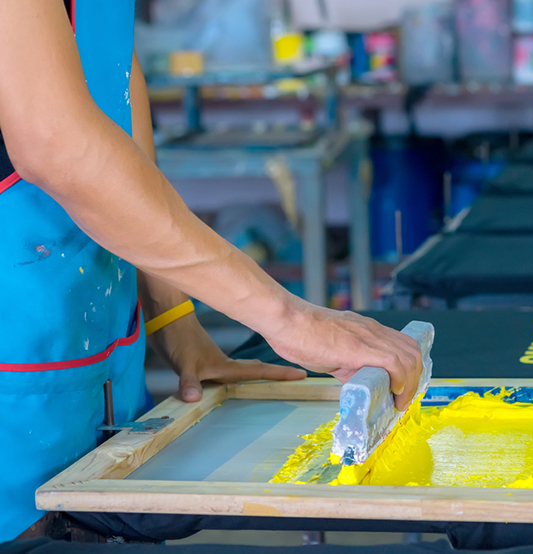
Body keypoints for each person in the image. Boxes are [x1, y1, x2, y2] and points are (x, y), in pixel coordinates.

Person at [0, 0, 422, 541]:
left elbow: (115, 85)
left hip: (94, 367)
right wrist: (287, 316)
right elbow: (54, 139)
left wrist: (173, 318)